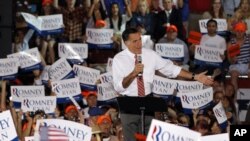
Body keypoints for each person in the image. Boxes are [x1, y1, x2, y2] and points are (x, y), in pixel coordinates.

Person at [112, 28, 214, 140]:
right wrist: (133, 73)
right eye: (135, 41)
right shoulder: (119, 59)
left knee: (150, 137)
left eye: (140, 39)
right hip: (129, 103)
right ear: (126, 43)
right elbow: (119, 87)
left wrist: (195, 76)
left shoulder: (150, 55)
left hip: (148, 100)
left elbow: (171, 69)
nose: (139, 44)